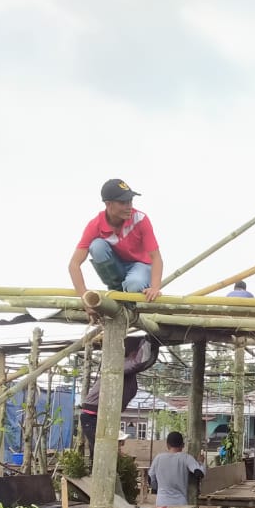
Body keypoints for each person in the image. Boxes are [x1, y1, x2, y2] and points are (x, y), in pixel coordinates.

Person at [67, 178, 164, 322]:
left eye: (130, 201)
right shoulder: (95, 225)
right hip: (118, 268)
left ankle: (128, 302)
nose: (128, 206)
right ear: (108, 204)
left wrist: (155, 287)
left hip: (141, 266)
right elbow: (74, 265)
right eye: (123, 202)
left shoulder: (140, 219)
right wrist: (85, 298)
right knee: (97, 246)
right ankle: (117, 292)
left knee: (134, 284)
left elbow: (156, 258)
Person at [80, 336, 160, 458]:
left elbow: (146, 362)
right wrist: (148, 341)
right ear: (132, 352)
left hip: (101, 413)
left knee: (99, 450)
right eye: (138, 352)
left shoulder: (128, 371)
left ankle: (96, 472)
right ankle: (98, 474)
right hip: (92, 414)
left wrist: (153, 346)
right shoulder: (122, 364)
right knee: (101, 450)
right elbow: (139, 362)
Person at [148, 430, 205, 507]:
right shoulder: (186, 458)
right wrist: (201, 463)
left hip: (161, 502)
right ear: (183, 445)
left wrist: (157, 488)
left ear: (167, 445)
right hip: (179, 503)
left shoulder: (158, 458)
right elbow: (199, 473)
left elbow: (150, 478)